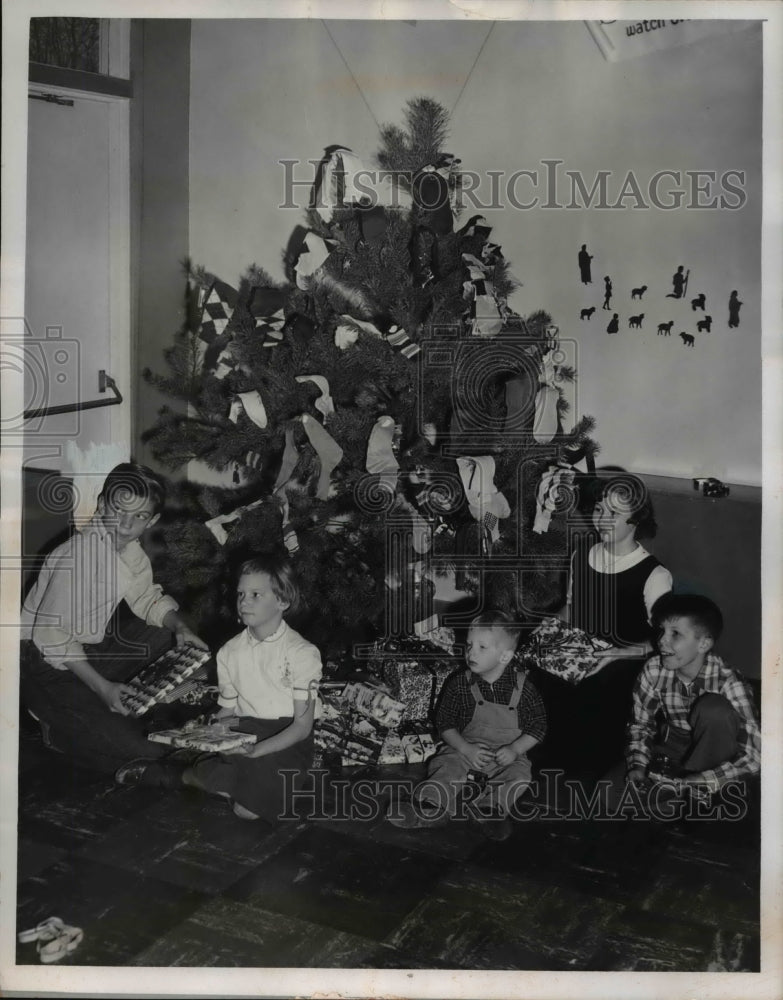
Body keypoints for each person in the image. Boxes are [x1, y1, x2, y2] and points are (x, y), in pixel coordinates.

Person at [20, 462, 207, 773]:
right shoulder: (78, 554)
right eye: (119, 510)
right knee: (148, 752)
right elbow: (50, 636)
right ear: (103, 504)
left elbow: (147, 599)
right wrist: (102, 687)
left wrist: (181, 627)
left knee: (173, 637)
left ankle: (139, 706)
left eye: (139, 516)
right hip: (43, 664)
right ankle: (57, 728)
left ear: (152, 520)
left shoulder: (129, 549)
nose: (125, 524)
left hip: (89, 649)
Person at [117, 555, 322, 825]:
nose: (244, 601)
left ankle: (217, 773)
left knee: (246, 811)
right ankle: (179, 774)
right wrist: (209, 731)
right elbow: (228, 709)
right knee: (236, 793)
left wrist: (258, 750)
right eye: (241, 594)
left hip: (288, 738)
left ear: (282, 601)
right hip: (245, 731)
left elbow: (302, 727)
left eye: (256, 594)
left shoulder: (302, 653)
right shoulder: (230, 652)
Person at [387, 610, 546, 841]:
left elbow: (538, 727)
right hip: (466, 748)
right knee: (446, 765)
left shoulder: (524, 689)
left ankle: (489, 809)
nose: (471, 652)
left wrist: (515, 750)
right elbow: (444, 723)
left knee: (520, 776)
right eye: (470, 644)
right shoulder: (460, 683)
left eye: (482, 647)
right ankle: (430, 806)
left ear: (504, 657)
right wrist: (464, 748)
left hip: (507, 754)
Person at [603, 593, 760, 812]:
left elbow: (754, 756)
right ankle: (687, 798)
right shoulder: (653, 669)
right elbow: (641, 725)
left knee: (714, 709)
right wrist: (638, 764)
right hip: (672, 748)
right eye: (662, 631)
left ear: (704, 643)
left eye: (675, 634)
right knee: (609, 794)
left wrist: (702, 778)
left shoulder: (729, 682)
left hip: (716, 754)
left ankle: (702, 793)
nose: (661, 641)